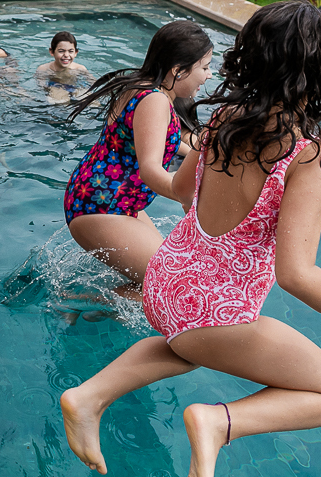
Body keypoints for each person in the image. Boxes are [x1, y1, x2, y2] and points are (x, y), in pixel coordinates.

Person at [59, 0, 321, 477]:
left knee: (187, 346)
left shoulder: (223, 117)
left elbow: (183, 190)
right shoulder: (307, 154)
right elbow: (296, 274)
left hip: (165, 281)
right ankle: (216, 424)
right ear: (319, 72)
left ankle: (90, 396)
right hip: (213, 309)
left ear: (249, 58)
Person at [63, 20, 214, 287]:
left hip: (105, 199)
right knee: (168, 285)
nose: (209, 75)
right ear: (178, 70)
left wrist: (198, 152)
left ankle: (90, 308)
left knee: (167, 275)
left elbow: (149, 139)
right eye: (204, 67)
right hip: (104, 205)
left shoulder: (143, 87)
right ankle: (79, 304)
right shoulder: (155, 100)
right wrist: (193, 196)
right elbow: (150, 170)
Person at [35, 31, 91, 103]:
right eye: (61, 51)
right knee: (61, 102)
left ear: (75, 53)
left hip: (76, 87)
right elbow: (40, 86)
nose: (66, 55)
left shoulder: (80, 68)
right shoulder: (44, 69)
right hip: (56, 87)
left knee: (93, 103)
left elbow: (93, 82)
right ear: (52, 52)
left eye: (70, 51)